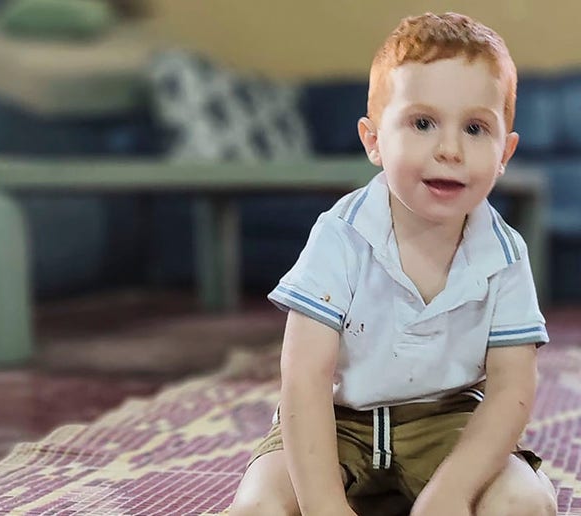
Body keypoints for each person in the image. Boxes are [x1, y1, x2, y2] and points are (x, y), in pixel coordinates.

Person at [230, 11, 556, 516]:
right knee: (259, 508)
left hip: (447, 425)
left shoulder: (506, 256)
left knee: (524, 503)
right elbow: (304, 378)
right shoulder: (339, 237)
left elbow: (512, 387)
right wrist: (324, 508)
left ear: (505, 152)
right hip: (336, 426)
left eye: (475, 128)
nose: (449, 149)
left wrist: (452, 492)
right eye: (422, 123)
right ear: (373, 140)